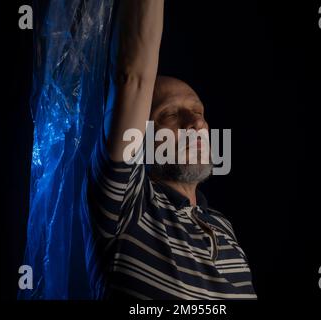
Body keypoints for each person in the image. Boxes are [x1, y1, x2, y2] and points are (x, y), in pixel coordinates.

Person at [86, 0, 256, 300]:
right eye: (171, 114)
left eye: (198, 111)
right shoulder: (129, 205)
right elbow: (132, 77)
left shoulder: (223, 227)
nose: (198, 122)